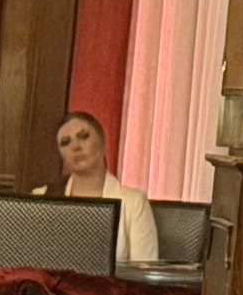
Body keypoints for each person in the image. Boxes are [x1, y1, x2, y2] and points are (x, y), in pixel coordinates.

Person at [50, 105, 161, 268]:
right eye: (66, 143)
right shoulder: (44, 196)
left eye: (84, 136)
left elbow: (144, 274)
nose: (76, 147)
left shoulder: (134, 203)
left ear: (102, 142)